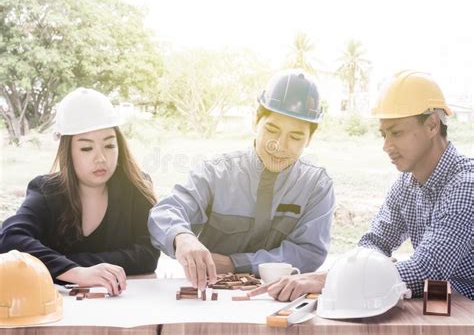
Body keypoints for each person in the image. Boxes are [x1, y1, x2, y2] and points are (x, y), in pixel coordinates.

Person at [248, 70, 473, 301]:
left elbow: (426, 270)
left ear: (432, 125)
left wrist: (326, 279)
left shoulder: (466, 186)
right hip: (445, 308)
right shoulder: (407, 185)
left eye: (396, 133)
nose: (386, 146)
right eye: (383, 134)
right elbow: (373, 244)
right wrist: (365, 268)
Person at [148, 70, 335, 290]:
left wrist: (234, 264)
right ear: (256, 122)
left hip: (278, 298)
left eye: (295, 137)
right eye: (272, 130)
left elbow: (309, 253)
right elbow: (165, 212)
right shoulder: (215, 172)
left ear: (310, 138)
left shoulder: (317, 186)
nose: (280, 145)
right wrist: (182, 238)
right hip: (210, 295)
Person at [0, 88, 160, 295]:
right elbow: (10, 239)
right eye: (86, 148)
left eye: (109, 145)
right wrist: (77, 272)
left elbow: (147, 254)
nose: (101, 158)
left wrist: (61, 262)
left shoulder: (136, 186)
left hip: (122, 304)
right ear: (68, 152)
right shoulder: (46, 191)